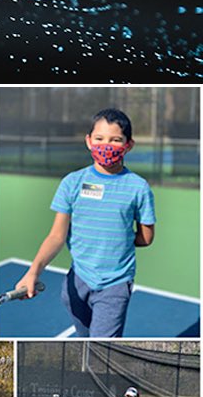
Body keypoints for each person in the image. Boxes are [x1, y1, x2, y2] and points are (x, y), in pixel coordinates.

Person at [13, 108, 156, 338]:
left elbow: (146, 238)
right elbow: (56, 236)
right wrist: (33, 272)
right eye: (99, 139)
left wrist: (116, 239)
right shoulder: (72, 183)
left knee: (101, 348)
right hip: (76, 283)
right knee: (85, 341)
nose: (106, 145)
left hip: (115, 285)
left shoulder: (139, 187)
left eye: (116, 140)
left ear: (129, 145)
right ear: (89, 141)